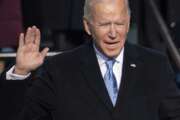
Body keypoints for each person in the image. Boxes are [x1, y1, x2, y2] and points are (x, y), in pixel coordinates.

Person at [2, 0, 180, 119]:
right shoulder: (60, 68)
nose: (113, 33)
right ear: (88, 26)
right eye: (104, 24)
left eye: (119, 23)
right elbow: (19, 116)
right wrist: (20, 72)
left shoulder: (155, 65)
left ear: (128, 23)